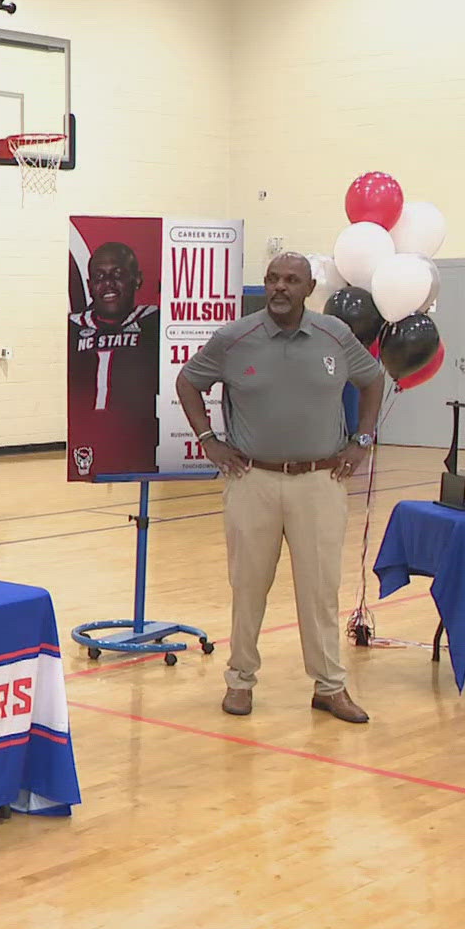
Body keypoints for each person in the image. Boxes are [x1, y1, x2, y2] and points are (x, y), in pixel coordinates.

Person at [176, 252, 385, 723]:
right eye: (273, 279)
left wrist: (363, 441)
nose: (280, 287)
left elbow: (373, 382)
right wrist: (209, 439)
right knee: (247, 587)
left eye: (291, 280)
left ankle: (330, 687)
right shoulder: (234, 338)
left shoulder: (336, 335)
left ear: (310, 289)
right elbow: (188, 381)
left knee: (320, 591)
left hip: (321, 480)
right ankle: (240, 681)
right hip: (253, 480)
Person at [68, 241, 161, 476]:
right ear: (89, 286)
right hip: (87, 437)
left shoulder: (155, 322)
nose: (108, 284)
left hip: (138, 440)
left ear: (137, 279)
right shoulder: (72, 326)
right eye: (99, 277)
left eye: (117, 275)